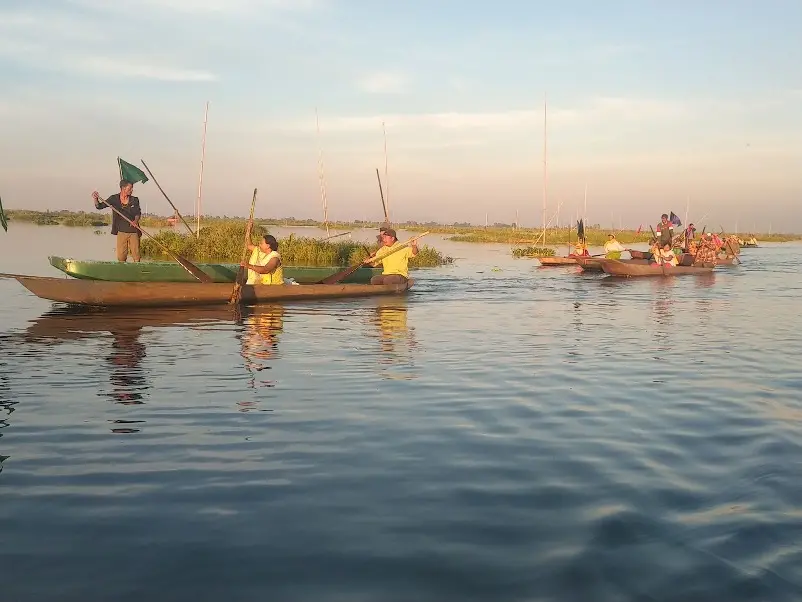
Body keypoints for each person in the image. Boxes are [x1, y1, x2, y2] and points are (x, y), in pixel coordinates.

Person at [92, 179, 142, 262]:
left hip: (133, 231)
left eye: (132, 188)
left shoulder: (134, 200)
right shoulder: (114, 199)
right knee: (121, 257)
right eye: (130, 188)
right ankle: (122, 272)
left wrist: (135, 221)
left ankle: (138, 271)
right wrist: (95, 199)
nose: (132, 190)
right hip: (121, 231)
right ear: (123, 188)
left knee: (136, 256)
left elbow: (138, 213)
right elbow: (99, 206)